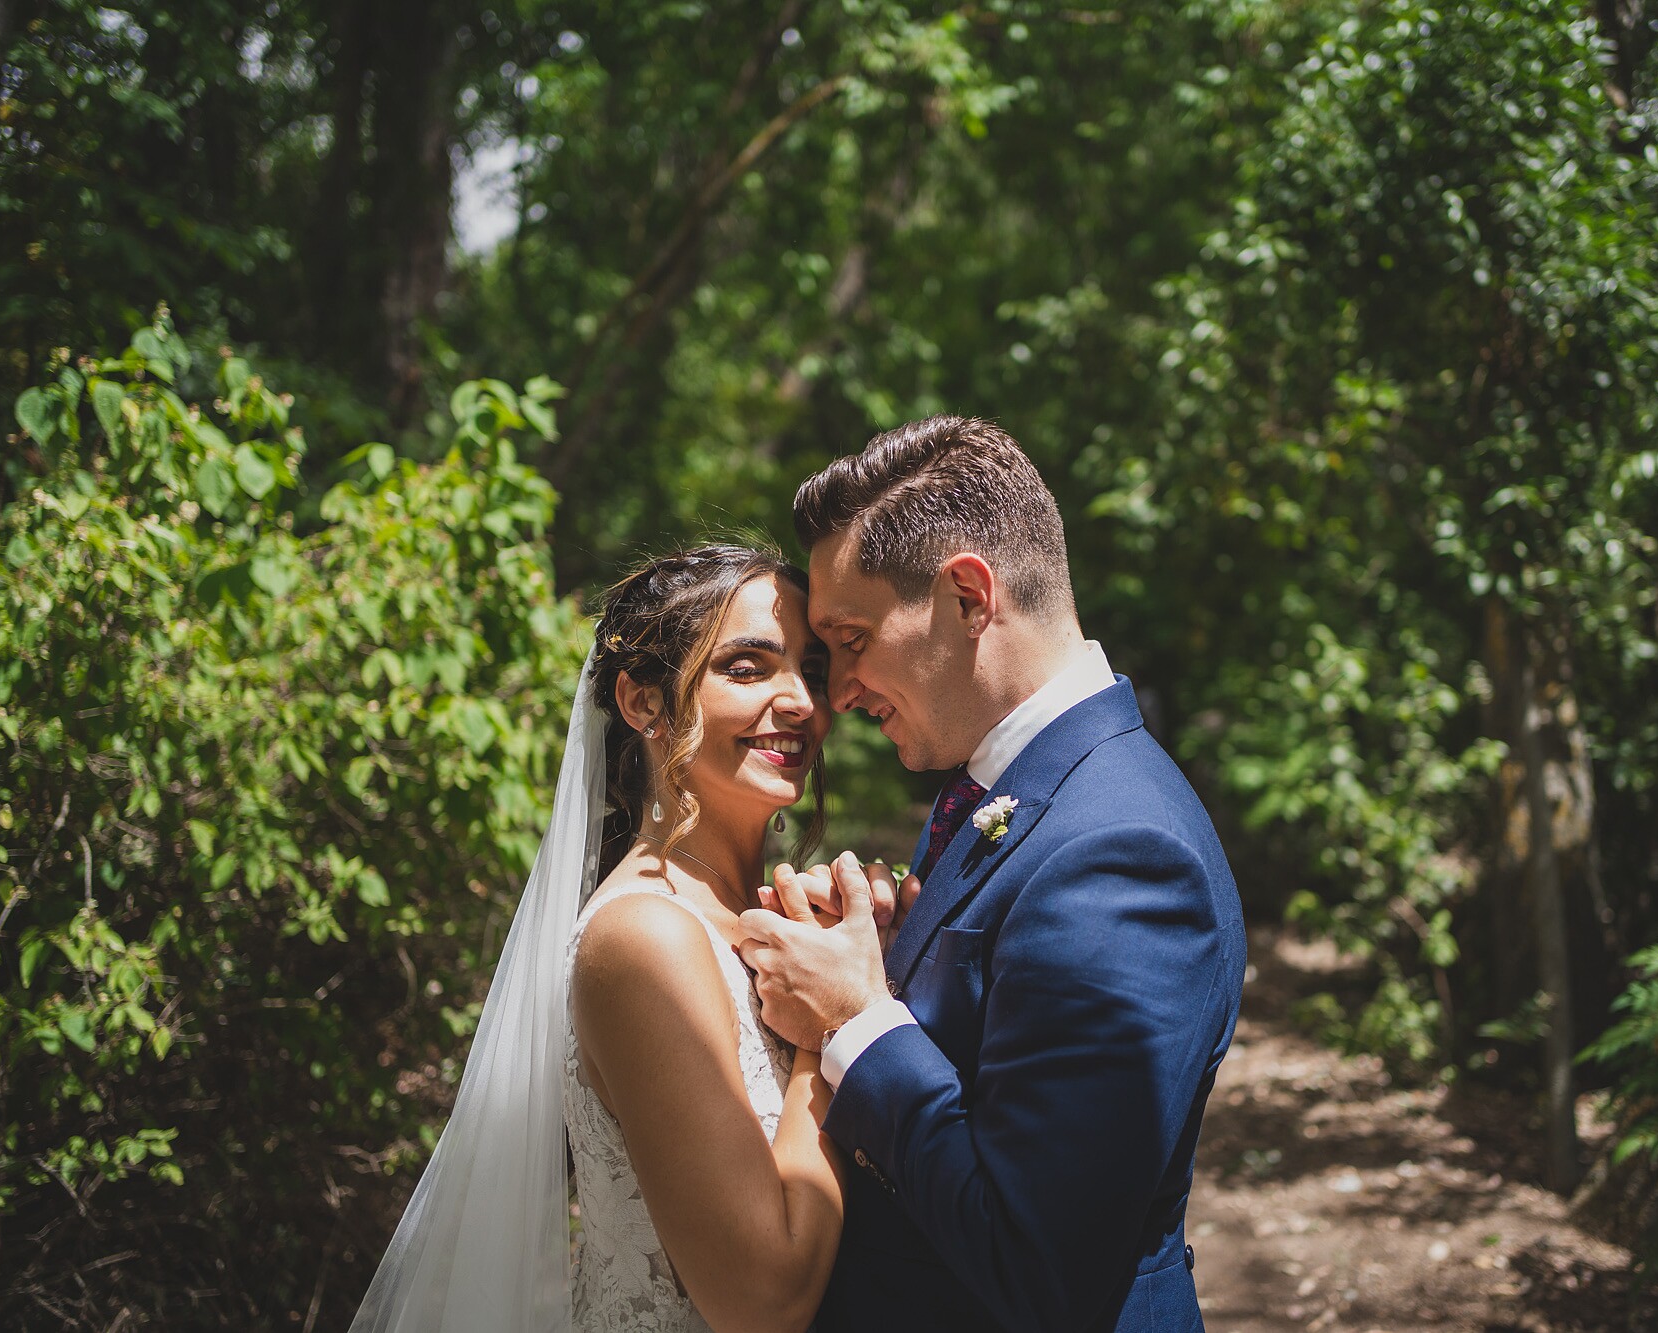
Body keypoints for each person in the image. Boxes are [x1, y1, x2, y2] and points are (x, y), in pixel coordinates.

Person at [740, 416, 1247, 1332]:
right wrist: (885, 953)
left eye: (852, 639)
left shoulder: (1126, 853)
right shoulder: (1008, 786)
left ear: (969, 598)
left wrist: (856, 1016)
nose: (838, 693)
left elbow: (1039, 1265)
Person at [348, 544, 850, 1333]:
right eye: (747, 667)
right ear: (643, 702)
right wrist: (833, 1025)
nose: (799, 701)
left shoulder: (777, 920)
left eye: (813, 673)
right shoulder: (646, 937)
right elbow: (763, 1300)